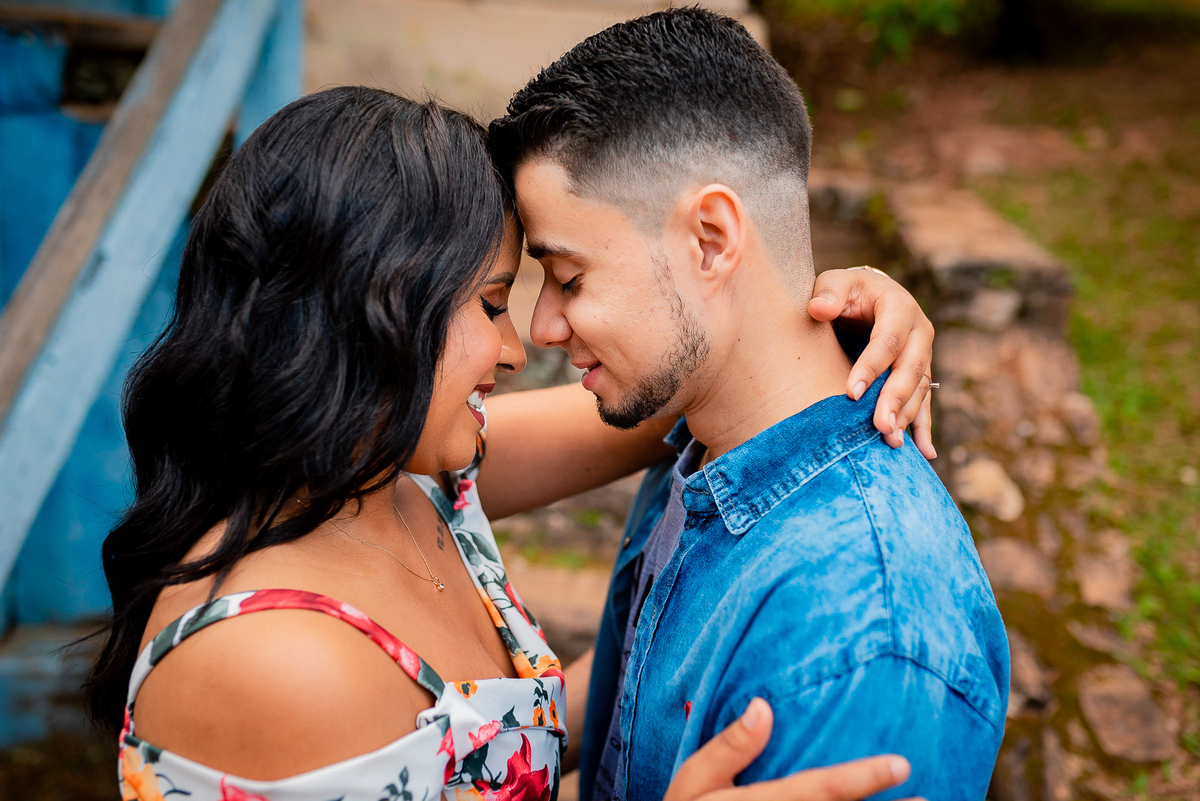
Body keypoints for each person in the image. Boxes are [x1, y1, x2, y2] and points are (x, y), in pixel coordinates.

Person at [86, 87, 935, 801]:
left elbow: (694, 375)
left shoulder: (394, 478)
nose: (518, 346)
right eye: (492, 302)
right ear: (370, 310)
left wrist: (837, 311)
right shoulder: (278, 657)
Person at [488, 9, 1009, 801]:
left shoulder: (867, 633)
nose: (542, 326)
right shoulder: (702, 430)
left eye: (569, 277)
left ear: (709, 238)